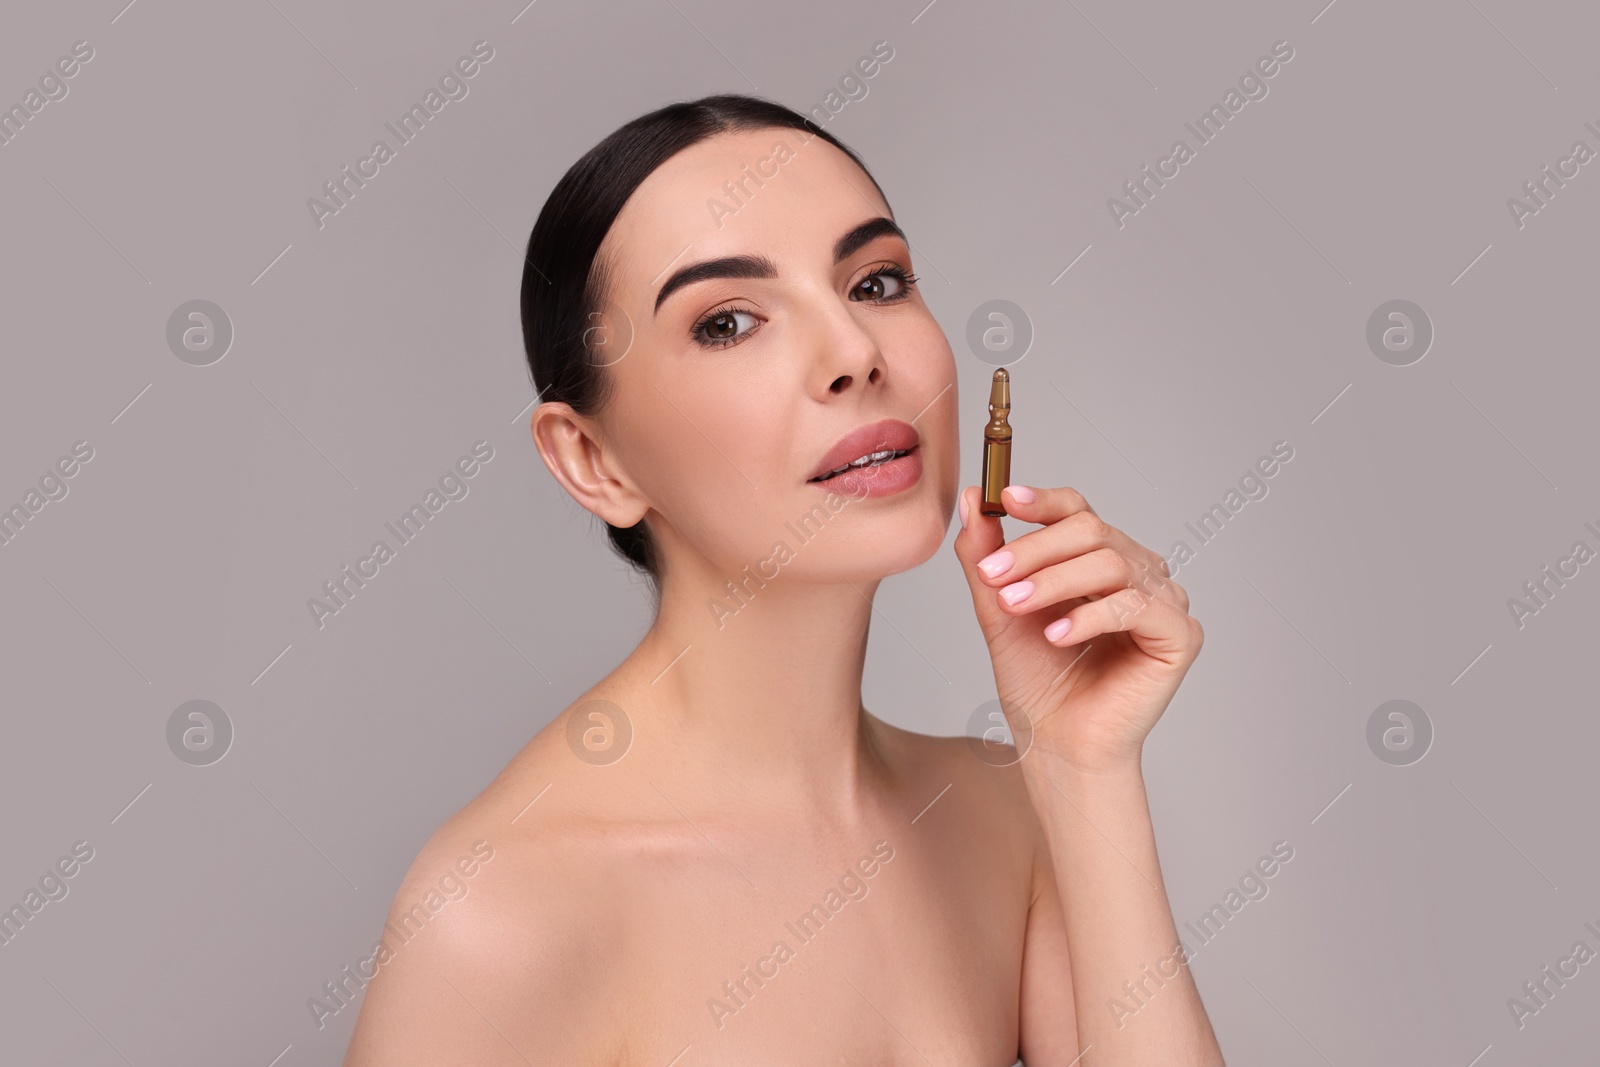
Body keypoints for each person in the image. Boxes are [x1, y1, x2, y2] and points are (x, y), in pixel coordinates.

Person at [343, 93, 1224, 1066]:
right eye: (726, 321)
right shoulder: (500, 909)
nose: (853, 353)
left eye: (876, 281)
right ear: (596, 461)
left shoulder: (1002, 815)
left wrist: (1081, 764)